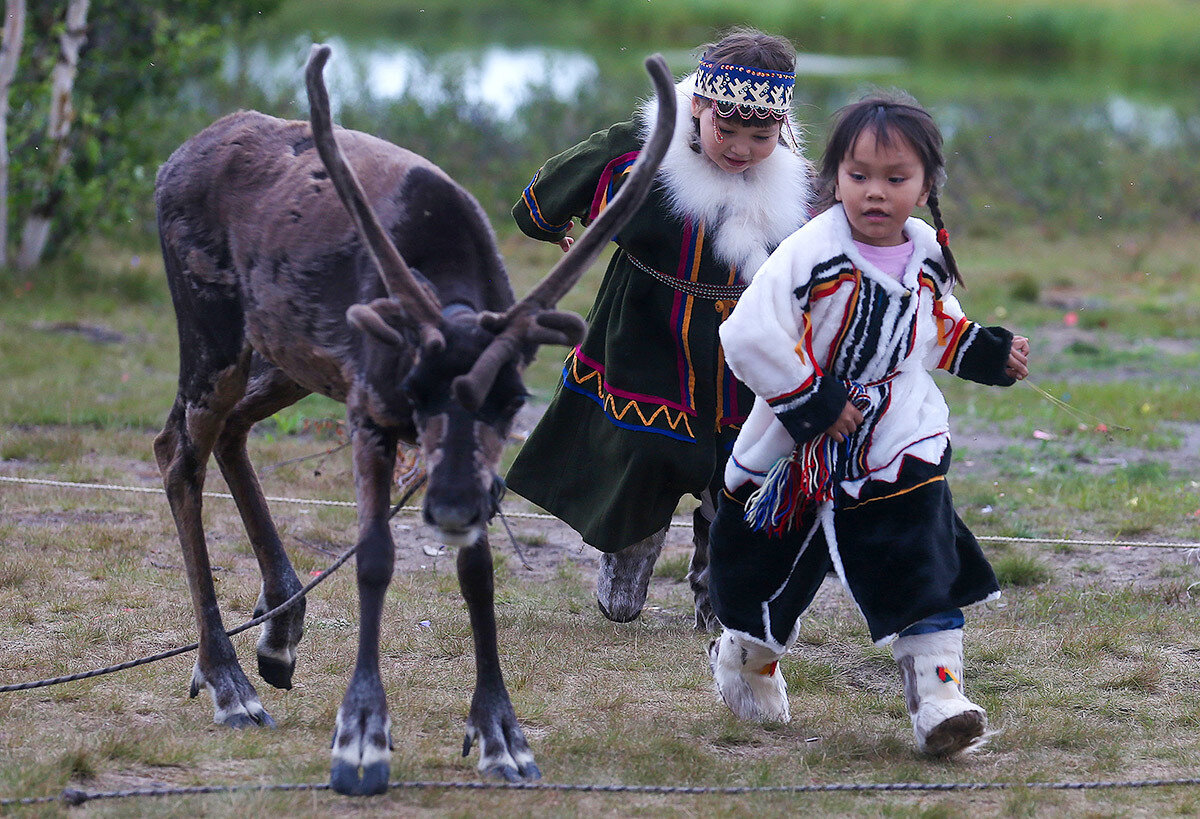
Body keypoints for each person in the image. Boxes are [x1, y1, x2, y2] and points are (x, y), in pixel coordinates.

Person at [705, 92, 1031, 756]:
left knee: (921, 559)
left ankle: (940, 701)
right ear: (835, 180)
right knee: (765, 576)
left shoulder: (926, 256)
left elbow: (934, 330)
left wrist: (989, 353)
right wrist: (813, 400)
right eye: (858, 176)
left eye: (894, 178)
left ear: (926, 184)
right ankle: (746, 659)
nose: (874, 193)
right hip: (796, 450)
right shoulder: (807, 255)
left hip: (896, 440)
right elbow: (747, 333)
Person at [506, 28, 814, 629]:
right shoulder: (640, 152)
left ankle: (717, 588)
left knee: (739, 461)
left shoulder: (797, 184)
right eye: (726, 129)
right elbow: (536, 202)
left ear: (782, 129)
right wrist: (558, 227)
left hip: (743, 341)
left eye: (762, 136)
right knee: (645, 449)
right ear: (696, 106)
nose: (743, 149)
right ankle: (631, 550)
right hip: (647, 328)